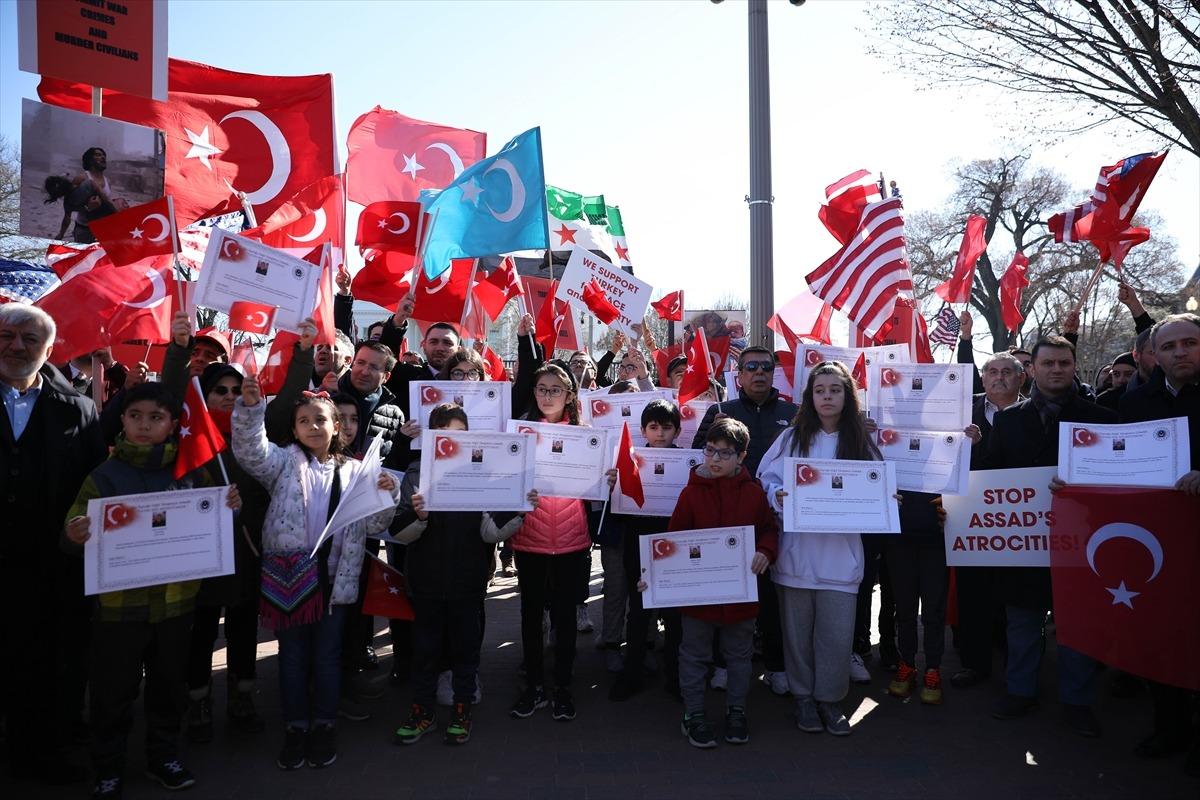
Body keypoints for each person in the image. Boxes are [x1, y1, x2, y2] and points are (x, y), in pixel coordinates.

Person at [64, 382, 243, 798]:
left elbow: (211, 536)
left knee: (169, 688)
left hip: (176, 606)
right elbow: (72, 533)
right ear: (122, 420)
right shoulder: (103, 476)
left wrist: (227, 510)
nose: (145, 425)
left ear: (173, 424)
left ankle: (164, 756)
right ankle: (108, 766)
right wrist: (74, 534)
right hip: (118, 609)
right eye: (136, 416)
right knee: (112, 692)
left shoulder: (191, 472)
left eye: (156, 418)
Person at [232, 375, 400, 770]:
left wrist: (387, 493)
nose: (313, 427)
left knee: (326, 657)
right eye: (304, 421)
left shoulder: (357, 471)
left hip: (335, 580)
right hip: (289, 578)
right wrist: (251, 409)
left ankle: (324, 724)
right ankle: (295, 727)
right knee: (292, 657)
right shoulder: (283, 463)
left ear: (336, 426)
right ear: (293, 428)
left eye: (320, 420)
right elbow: (250, 451)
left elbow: (377, 525)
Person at [981, 335, 1117, 737]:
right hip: (1025, 542)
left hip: (1083, 542)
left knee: (1076, 623)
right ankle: (1020, 691)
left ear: (1074, 366)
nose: (1056, 370)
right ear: (1032, 370)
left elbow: (1118, 481)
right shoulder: (1007, 420)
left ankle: (1077, 701)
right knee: (1022, 619)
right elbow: (989, 476)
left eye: (1064, 363)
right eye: (1048, 364)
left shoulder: (1103, 418)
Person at [1, 304, 106, 786]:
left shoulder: (78, 410)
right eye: (6, 335)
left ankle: (45, 751)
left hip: (51, 565)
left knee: (49, 662)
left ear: (49, 350)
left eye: (29, 339)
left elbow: (93, 485)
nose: (16, 346)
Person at [390, 403, 536, 746]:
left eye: (458, 436)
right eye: (443, 436)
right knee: (424, 651)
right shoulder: (415, 473)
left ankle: (462, 708)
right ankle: (422, 711)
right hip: (424, 582)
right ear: (430, 439)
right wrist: (420, 517)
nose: (451, 443)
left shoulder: (480, 473)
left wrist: (518, 509)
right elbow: (399, 531)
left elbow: (489, 532)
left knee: (465, 651)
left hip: (467, 581)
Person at [758, 362, 881, 736]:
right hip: (797, 553)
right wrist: (778, 496)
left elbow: (879, 483)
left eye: (835, 390)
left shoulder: (861, 440)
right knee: (797, 634)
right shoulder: (792, 438)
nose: (827, 396)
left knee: (836, 634)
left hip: (842, 557)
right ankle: (804, 699)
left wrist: (884, 500)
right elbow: (765, 477)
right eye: (820, 390)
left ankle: (829, 699)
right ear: (810, 397)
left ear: (847, 396)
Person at [1117, 313, 1200, 773]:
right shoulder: (1137, 404)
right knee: (1162, 639)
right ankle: (1170, 728)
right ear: (1154, 354)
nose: (1180, 353)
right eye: (1169, 347)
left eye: (1189, 343)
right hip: (1156, 547)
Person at [691, 346, 797, 695]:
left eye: (766, 367)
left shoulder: (792, 413)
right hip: (724, 520)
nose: (759, 373)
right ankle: (722, 664)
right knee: (726, 595)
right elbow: (698, 458)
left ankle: (776, 665)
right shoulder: (721, 411)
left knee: (770, 596)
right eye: (751, 367)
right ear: (739, 374)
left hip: (773, 518)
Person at [668, 418, 777, 748]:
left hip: (740, 596)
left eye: (725, 453)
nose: (715, 459)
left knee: (739, 657)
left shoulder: (754, 495)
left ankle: (736, 711)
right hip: (698, 599)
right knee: (694, 656)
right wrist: (657, 577)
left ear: (742, 457)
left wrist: (765, 551)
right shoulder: (689, 495)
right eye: (710, 451)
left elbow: (769, 530)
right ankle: (695, 715)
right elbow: (672, 543)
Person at [508, 362, 600, 722]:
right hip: (530, 538)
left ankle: (562, 687)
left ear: (570, 395)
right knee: (530, 618)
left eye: (555, 390)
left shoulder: (584, 433)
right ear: (534, 392)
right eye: (542, 389)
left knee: (564, 619)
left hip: (572, 540)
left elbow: (597, 490)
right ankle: (533, 685)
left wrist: (605, 476)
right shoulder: (521, 432)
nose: (547, 396)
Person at [185, 364, 270, 743]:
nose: (230, 396)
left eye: (237, 390)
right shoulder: (189, 438)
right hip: (202, 556)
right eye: (220, 390)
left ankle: (241, 697)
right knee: (201, 632)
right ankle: (198, 701)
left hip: (246, 551)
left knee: (242, 629)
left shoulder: (254, 437)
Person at [952, 351, 1025, 690]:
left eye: (1007, 371)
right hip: (971, 523)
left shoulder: (1034, 413)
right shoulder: (962, 413)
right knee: (973, 597)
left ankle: (1019, 672)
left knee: (1016, 601)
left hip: (1021, 525)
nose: (999, 377)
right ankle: (974, 665)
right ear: (982, 378)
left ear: (1021, 378)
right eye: (992, 371)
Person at [609, 399, 686, 702]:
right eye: (653, 427)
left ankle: (676, 676)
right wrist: (614, 486)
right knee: (639, 613)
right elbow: (619, 511)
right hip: (638, 545)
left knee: (675, 615)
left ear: (677, 431)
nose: (660, 433)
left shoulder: (686, 462)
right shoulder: (630, 461)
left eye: (666, 427)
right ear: (643, 430)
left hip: (674, 546)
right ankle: (632, 674)